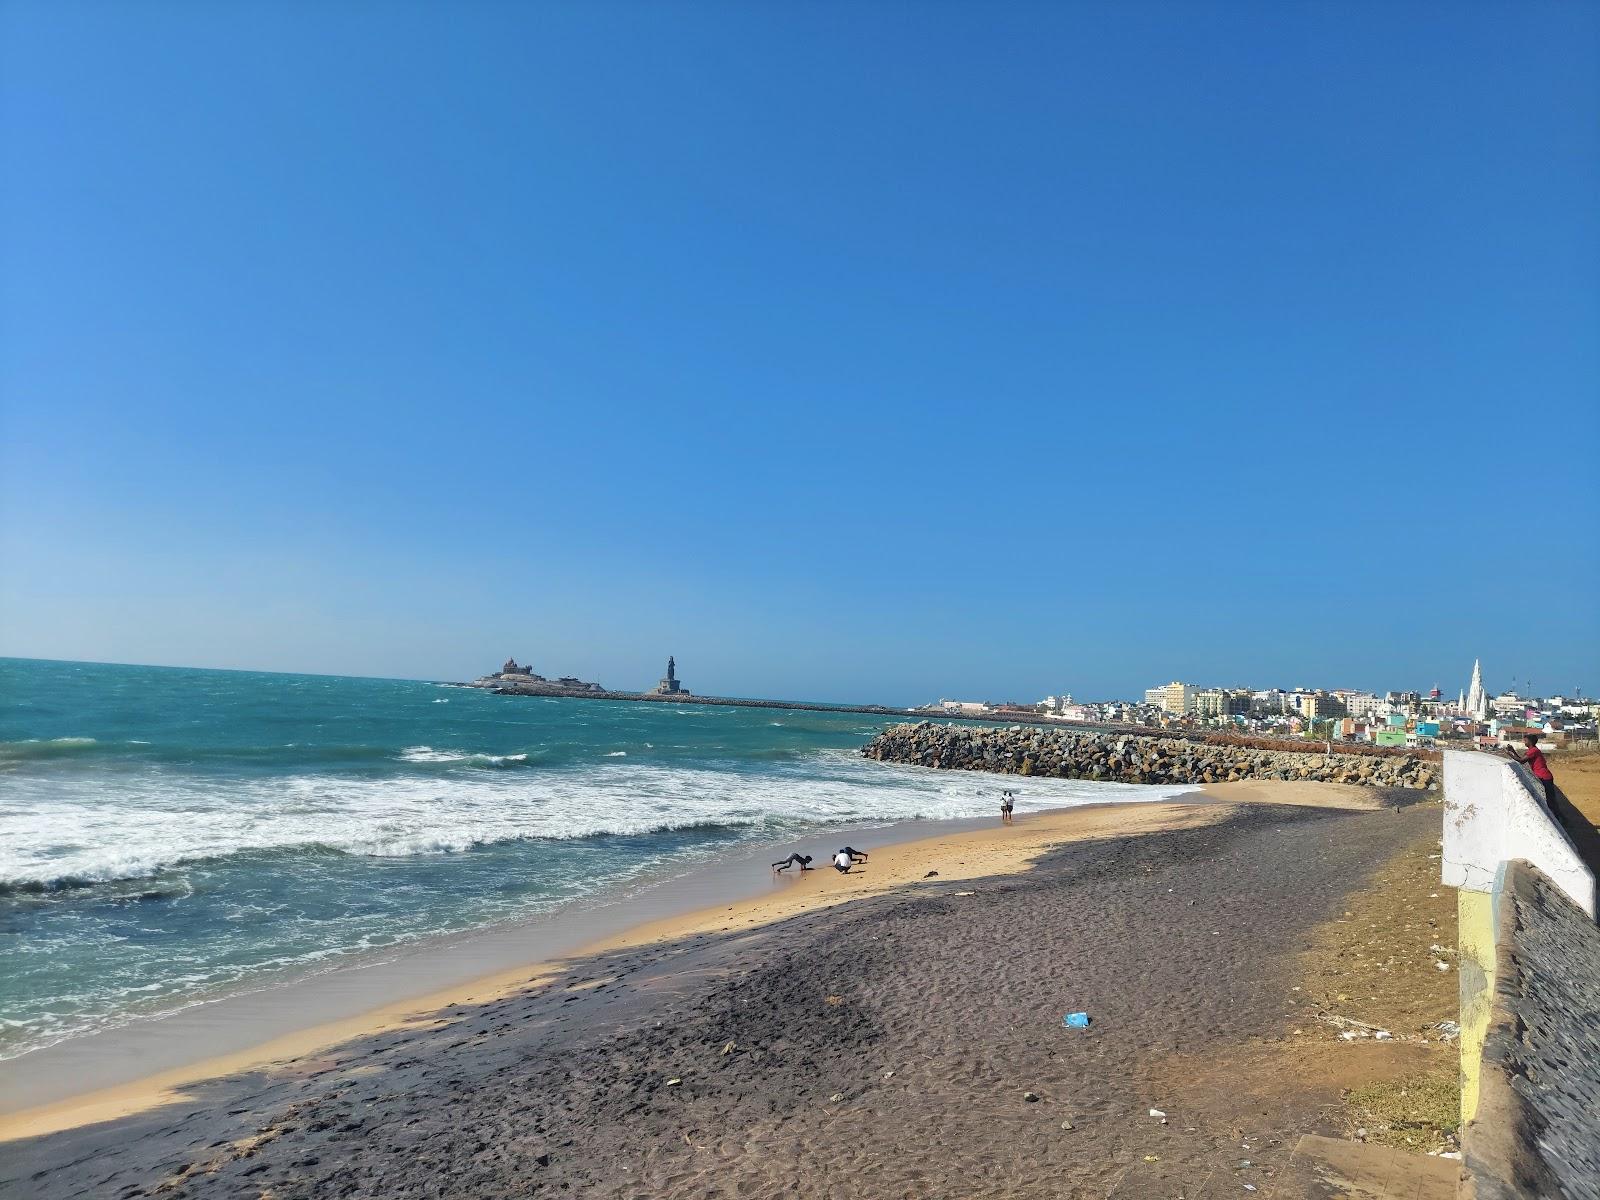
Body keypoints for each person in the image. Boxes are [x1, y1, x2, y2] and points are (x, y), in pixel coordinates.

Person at [1503, 733, 1557, 803]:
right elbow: (1522, 759)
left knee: (1551, 800)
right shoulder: (1533, 750)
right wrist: (1512, 751)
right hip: (1543, 776)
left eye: (1525, 741)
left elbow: (1521, 760)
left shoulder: (1533, 751)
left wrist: (1509, 753)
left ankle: (1557, 813)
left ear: (1530, 741)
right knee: (1550, 799)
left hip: (1544, 776)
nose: (1524, 742)